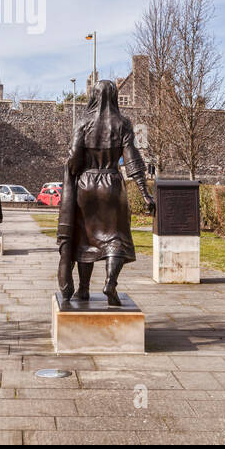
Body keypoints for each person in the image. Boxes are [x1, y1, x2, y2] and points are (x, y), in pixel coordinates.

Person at [57, 79, 154, 306]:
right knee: (116, 238)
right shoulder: (123, 124)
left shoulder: (82, 123)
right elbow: (133, 162)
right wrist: (145, 193)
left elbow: (73, 158)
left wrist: (72, 171)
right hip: (112, 185)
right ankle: (111, 282)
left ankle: (83, 289)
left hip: (85, 186)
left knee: (85, 240)